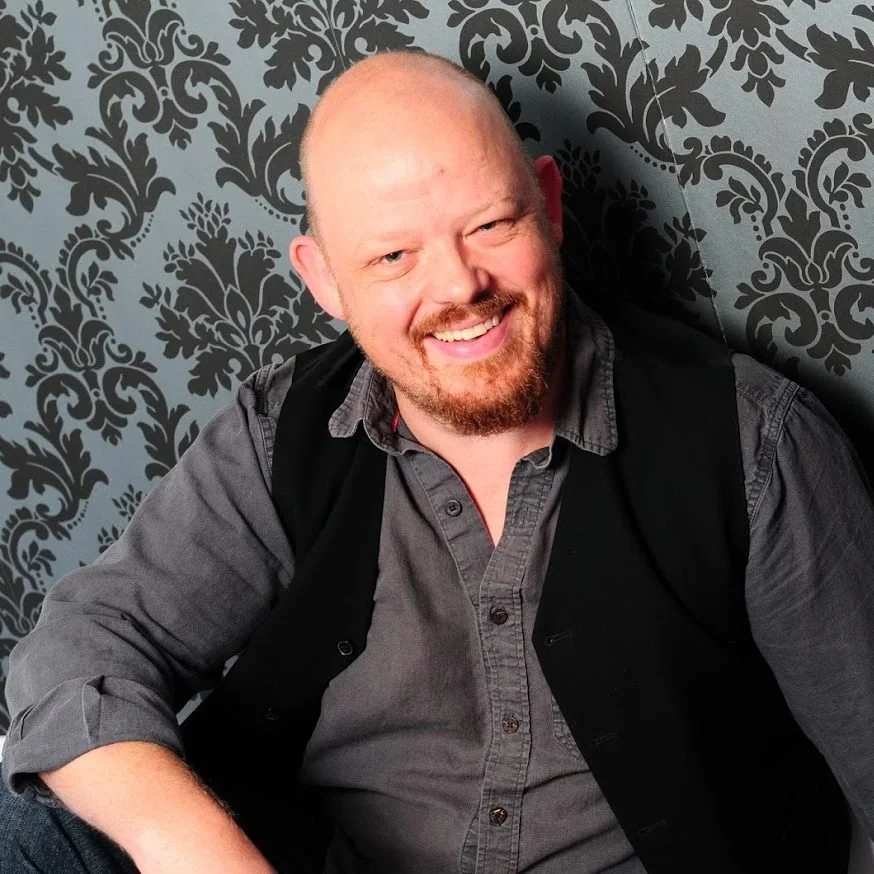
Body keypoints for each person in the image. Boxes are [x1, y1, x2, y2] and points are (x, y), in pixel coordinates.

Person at [1, 50, 873, 874]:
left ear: (549, 206)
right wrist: (188, 846)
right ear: (324, 281)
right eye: (393, 256)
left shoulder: (756, 443)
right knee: (31, 830)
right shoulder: (280, 428)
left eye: (490, 225)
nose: (459, 287)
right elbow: (85, 643)